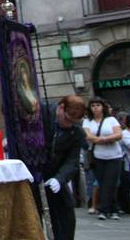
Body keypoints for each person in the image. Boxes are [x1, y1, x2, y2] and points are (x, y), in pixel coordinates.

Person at [34, 95, 86, 240]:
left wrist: (59, 179)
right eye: (68, 120)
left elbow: (73, 160)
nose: (70, 125)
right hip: (34, 171)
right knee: (33, 215)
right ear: (61, 108)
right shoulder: (43, 112)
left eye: (74, 122)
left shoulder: (76, 131)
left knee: (66, 213)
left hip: (55, 173)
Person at [83, 97, 123, 221]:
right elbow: (88, 136)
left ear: (103, 107)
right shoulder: (87, 121)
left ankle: (105, 209)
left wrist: (103, 139)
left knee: (110, 182)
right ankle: (113, 209)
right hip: (97, 156)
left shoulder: (111, 120)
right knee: (102, 183)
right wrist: (107, 139)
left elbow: (119, 134)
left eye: (98, 105)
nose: (95, 108)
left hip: (114, 156)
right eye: (93, 105)